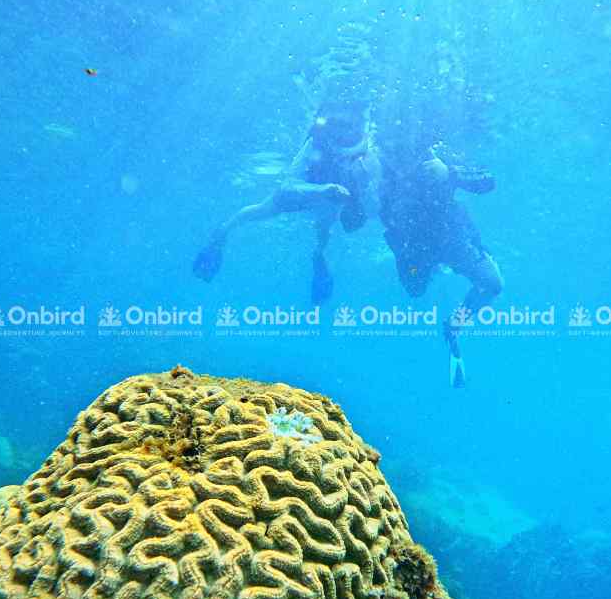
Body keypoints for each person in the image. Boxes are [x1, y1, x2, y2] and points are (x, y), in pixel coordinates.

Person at [192, 100, 379, 304]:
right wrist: (324, 190)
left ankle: (319, 257)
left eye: (352, 130)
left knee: (324, 229)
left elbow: (366, 195)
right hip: (307, 190)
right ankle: (221, 234)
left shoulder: (366, 154)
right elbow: (289, 185)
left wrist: (354, 200)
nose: (345, 137)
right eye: (340, 128)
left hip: (329, 196)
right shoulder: (316, 143)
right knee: (264, 210)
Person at [378, 133, 503, 388]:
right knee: (414, 289)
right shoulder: (381, 166)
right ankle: (428, 269)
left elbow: (487, 181)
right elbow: (359, 215)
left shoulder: (440, 158)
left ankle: (454, 327)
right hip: (414, 249)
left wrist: (452, 172)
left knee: (492, 284)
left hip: (453, 239)